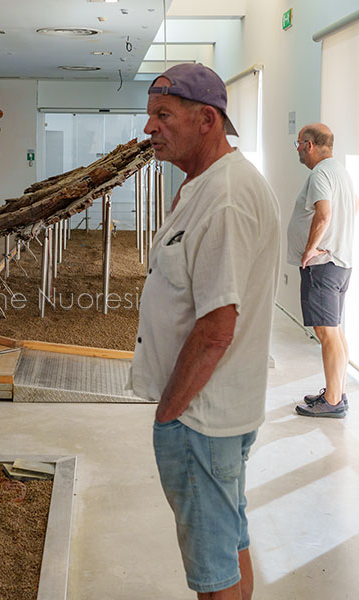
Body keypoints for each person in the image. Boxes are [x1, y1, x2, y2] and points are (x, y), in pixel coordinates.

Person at [129, 63, 280, 599]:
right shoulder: (205, 185)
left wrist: (170, 412)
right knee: (230, 547)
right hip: (212, 414)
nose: (149, 127)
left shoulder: (227, 198)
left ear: (207, 120)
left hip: (201, 419)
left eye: (163, 115)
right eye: (151, 115)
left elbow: (217, 328)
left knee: (213, 578)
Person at [287, 124, 358, 418]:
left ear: (310, 145)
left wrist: (311, 248)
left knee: (326, 333)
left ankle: (332, 401)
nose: (298, 149)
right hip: (339, 263)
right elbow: (354, 205)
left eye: (298, 143)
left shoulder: (320, 174)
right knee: (335, 330)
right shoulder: (340, 171)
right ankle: (336, 392)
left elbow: (324, 213)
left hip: (323, 267)